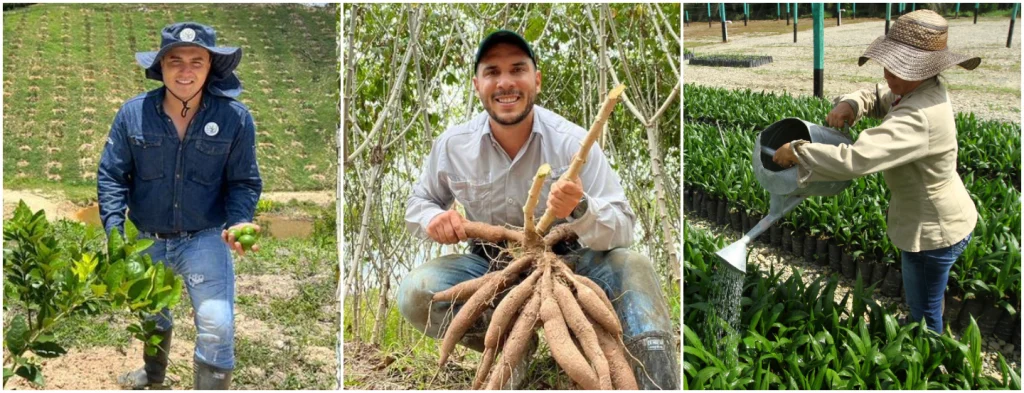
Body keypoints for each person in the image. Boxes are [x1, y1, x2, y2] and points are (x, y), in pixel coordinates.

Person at [397, 30, 679, 389]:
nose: (505, 83)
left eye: (517, 69)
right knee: (417, 292)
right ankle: (514, 345)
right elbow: (417, 203)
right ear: (477, 85)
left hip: (573, 265)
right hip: (493, 266)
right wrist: (433, 218)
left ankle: (656, 379)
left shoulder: (573, 142)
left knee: (634, 266)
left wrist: (581, 208)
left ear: (537, 80)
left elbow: (623, 226)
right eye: (492, 72)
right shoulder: (453, 146)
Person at [772, 9, 979, 334]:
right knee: (927, 294)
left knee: (926, 311)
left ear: (924, 69)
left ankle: (927, 349)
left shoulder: (919, 116)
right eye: (888, 64)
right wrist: (852, 104)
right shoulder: (919, 89)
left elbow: (856, 160)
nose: (888, 74)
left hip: (933, 230)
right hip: (937, 217)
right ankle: (920, 324)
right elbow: (881, 94)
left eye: (898, 68)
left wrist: (798, 152)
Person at [98, 22, 262, 390]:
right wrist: (114, 233)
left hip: (205, 238)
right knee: (151, 314)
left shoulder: (235, 119)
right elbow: (112, 175)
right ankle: (153, 376)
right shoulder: (133, 115)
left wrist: (239, 220)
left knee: (218, 325)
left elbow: (243, 181)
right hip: (148, 238)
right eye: (175, 61)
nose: (185, 71)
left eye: (196, 61)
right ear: (161, 66)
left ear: (210, 67)